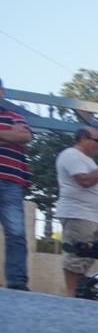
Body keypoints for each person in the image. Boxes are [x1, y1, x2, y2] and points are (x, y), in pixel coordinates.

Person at [55, 127, 98, 297]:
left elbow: (92, 182)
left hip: (89, 216)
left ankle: (77, 296)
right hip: (78, 214)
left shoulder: (87, 160)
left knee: (85, 257)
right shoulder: (71, 155)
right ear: (83, 138)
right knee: (77, 255)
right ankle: (73, 297)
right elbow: (84, 181)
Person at [0, 76, 33, 290]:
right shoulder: (13, 120)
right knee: (15, 233)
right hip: (11, 183)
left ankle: (17, 282)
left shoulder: (14, 115)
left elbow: (25, 135)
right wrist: (10, 135)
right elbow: (18, 136)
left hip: (11, 182)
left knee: (16, 234)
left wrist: (14, 135)